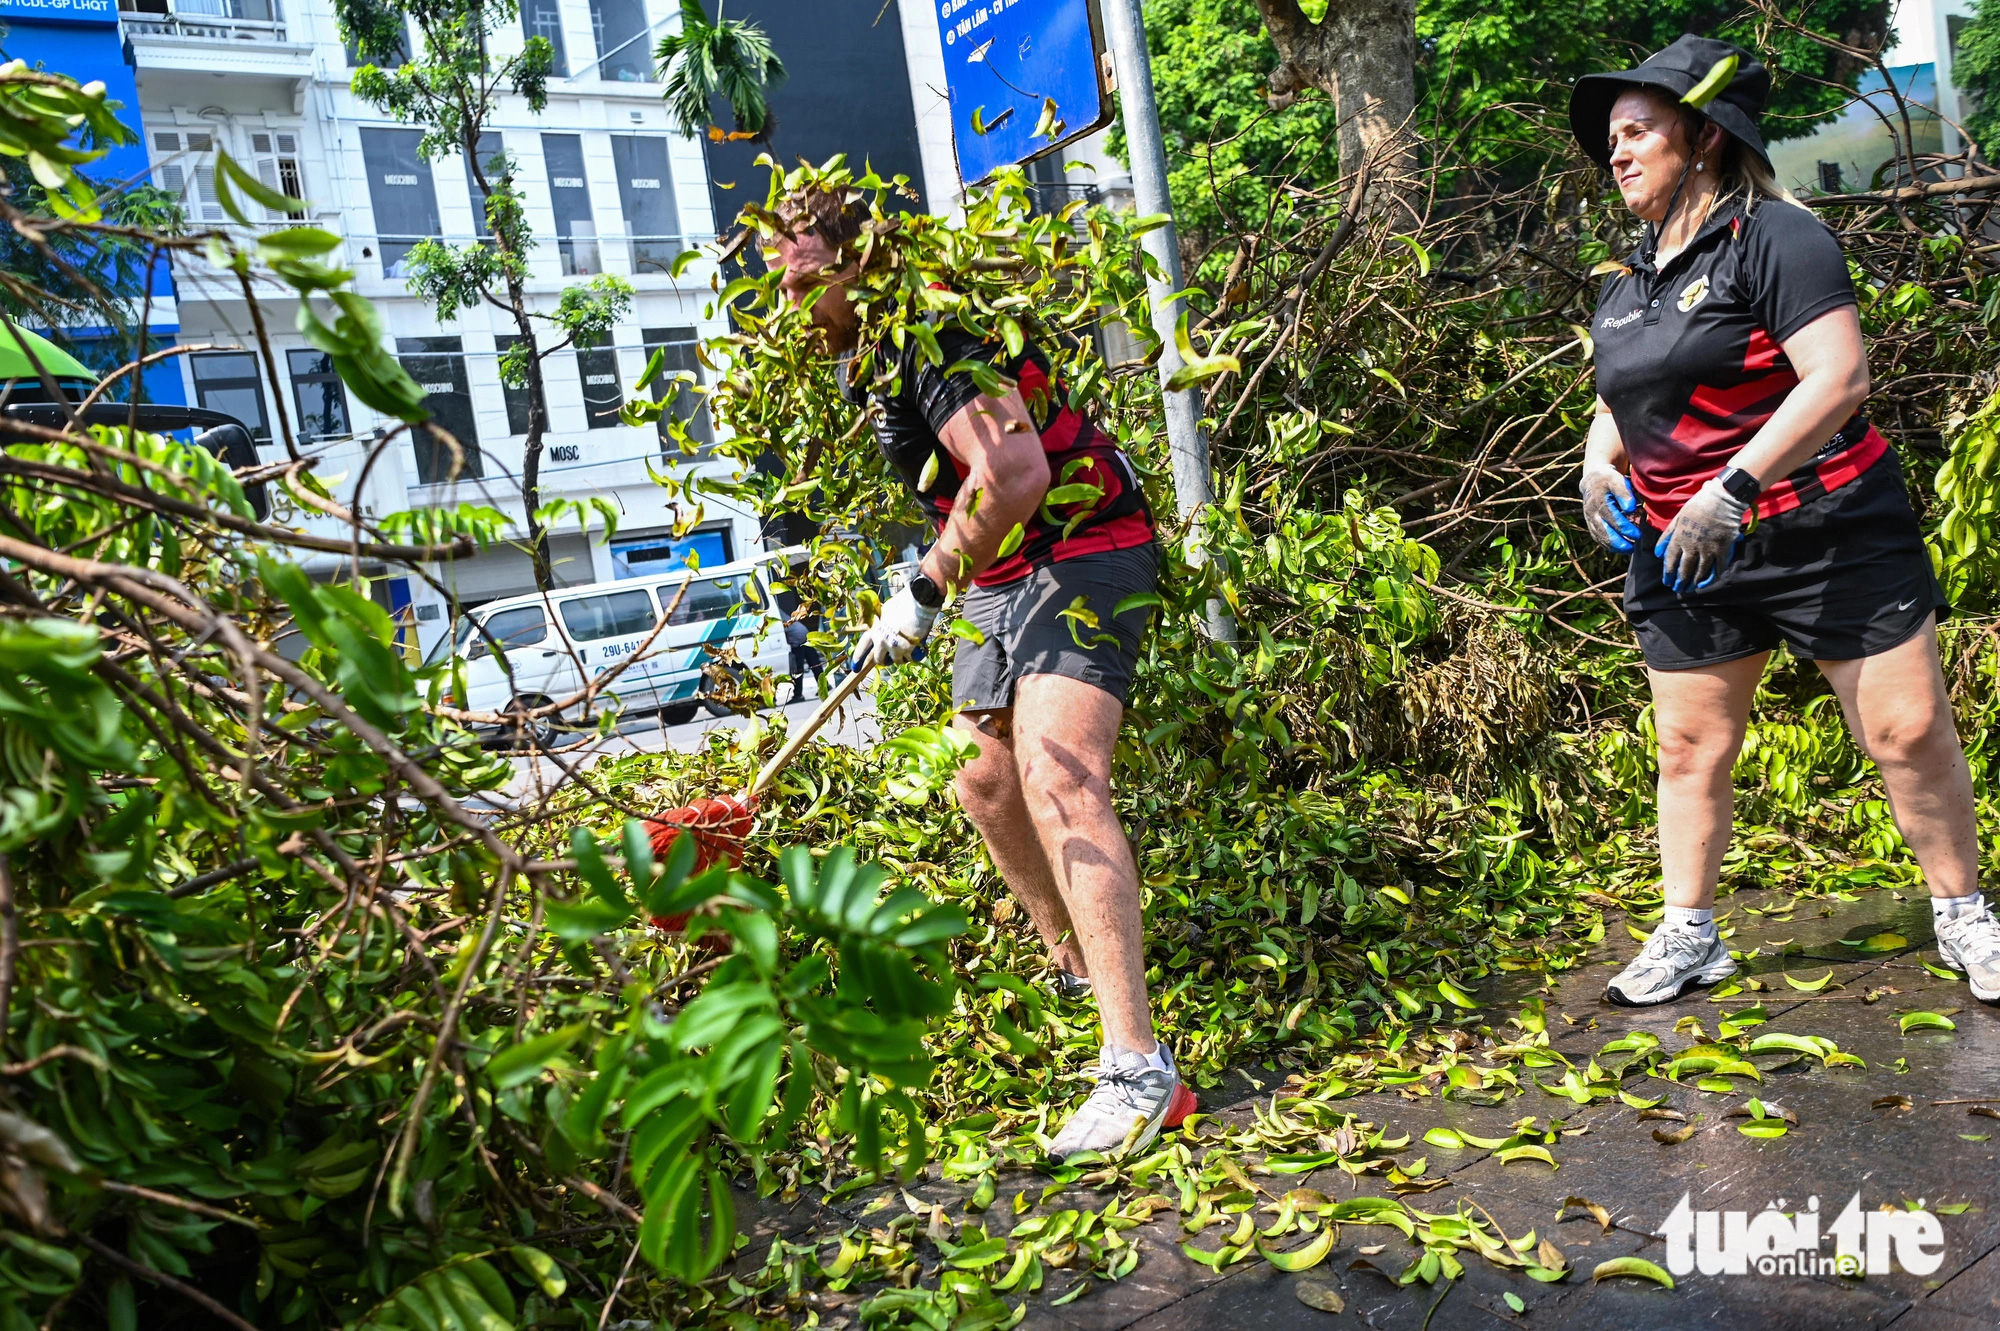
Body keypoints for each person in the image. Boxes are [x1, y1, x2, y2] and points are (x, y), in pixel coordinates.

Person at [1569, 35, 2000, 1007]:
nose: (1618, 153)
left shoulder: (1775, 239)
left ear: (1705, 138)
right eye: (1611, 141)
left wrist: (1732, 487)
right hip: (1685, 553)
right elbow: (1618, 393)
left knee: (1905, 727)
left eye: (1637, 131)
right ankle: (1690, 932)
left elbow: (1836, 380)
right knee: (1687, 747)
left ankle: (1961, 913)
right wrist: (1598, 463)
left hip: (1825, 527)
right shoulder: (1625, 281)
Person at [767, 186, 1196, 1154]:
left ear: (850, 251)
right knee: (981, 776)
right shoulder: (871, 352)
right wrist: (939, 575)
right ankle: (1079, 972)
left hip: (1084, 543)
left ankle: (1137, 1069)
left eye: (793, 254)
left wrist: (922, 586)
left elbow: (1013, 471)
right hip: (1002, 571)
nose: (779, 280)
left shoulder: (933, 324)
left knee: (1059, 776)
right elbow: (963, 490)